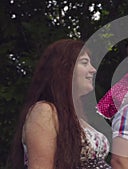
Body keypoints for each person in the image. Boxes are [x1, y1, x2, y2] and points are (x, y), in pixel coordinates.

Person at [7, 39, 111, 169]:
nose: (93, 70)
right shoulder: (45, 112)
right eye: (84, 63)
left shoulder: (74, 115)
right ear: (64, 68)